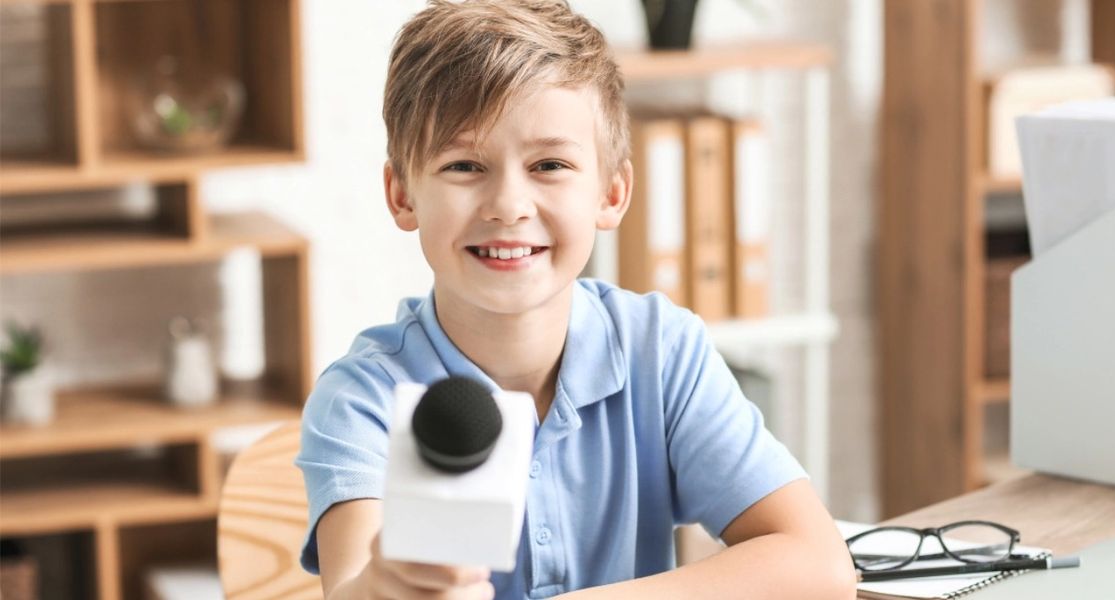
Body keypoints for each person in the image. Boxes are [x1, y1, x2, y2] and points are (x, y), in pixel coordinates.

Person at [296, 1, 856, 598]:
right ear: (402, 195)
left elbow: (817, 565)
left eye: (550, 164)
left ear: (611, 193)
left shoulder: (660, 351)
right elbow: (352, 587)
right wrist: (385, 583)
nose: (508, 205)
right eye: (464, 165)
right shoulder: (362, 400)